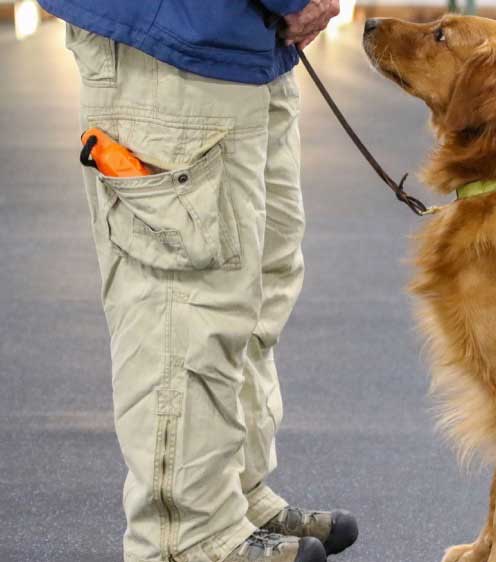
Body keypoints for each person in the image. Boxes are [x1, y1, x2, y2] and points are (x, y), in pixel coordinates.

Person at [37, 1, 356, 561]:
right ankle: (185, 537)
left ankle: (229, 497)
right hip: (172, 37)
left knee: (255, 280)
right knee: (184, 299)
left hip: (246, 40)